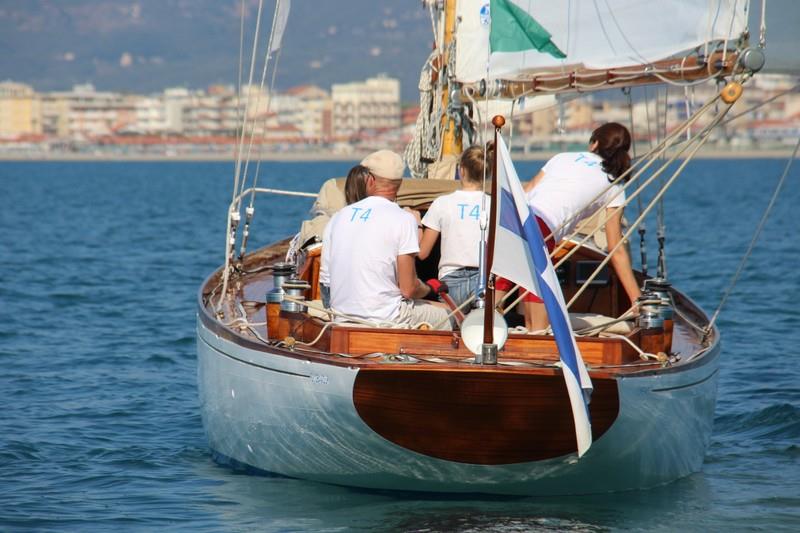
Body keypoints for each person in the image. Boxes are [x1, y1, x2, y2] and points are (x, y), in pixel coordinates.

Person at [500, 122, 642, 331]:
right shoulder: (615, 183)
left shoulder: (562, 158)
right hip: (540, 230)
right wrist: (636, 300)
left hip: (511, 219)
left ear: (594, 144)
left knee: (495, 295)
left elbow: (528, 190)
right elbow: (616, 248)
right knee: (537, 328)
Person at [322, 150, 451, 329]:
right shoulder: (403, 219)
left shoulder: (337, 217)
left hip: (341, 318)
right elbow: (409, 289)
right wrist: (430, 288)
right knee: (454, 316)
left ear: (370, 179)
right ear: (399, 184)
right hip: (387, 319)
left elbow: (326, 283)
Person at [414, 144, 491, 307]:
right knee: (481, 331)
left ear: (461, 170)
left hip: (451, 280)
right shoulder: (494, 205)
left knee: (450, 329)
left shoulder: (442, 203)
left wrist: (417, 223)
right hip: (484, 280)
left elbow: (422, 253)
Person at [320, 164, 370, 307]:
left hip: (331, 295)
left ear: (348, 191)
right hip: (361, 297)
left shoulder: (336, 219)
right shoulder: (378, 218)